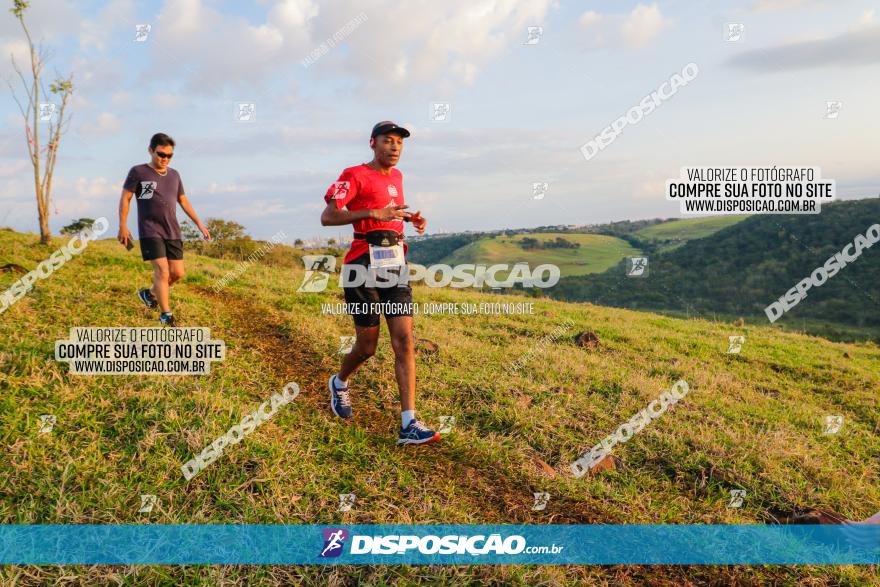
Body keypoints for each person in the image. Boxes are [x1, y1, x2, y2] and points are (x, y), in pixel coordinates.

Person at [320, 120, 439, 446]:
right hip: (360, 267)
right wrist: (373, 211)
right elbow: (328, 217)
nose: (395, 147)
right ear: (373, 143)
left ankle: (408, 423)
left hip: (394, 267)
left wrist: (409, 220)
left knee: (404, 340)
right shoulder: (352, 174)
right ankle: (340, 382)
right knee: (367, 348)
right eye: (388, 141)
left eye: (399, 142)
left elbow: (390, 214)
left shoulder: (397, 177)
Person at [117, 133, 210, 327]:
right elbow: (126, 198)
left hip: (172, 230)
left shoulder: (175, 175)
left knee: (177, 273)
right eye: (161, 154)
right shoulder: (139, 172)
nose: (165, 159)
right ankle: (166, 314)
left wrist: (199, 223)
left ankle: (149, 293)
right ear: (150, 150)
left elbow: (183, 200)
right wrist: (123, 226)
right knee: (162, 271)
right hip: (150, 230)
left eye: (169, 156)